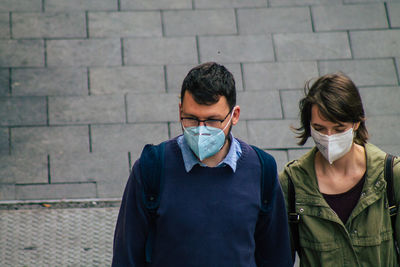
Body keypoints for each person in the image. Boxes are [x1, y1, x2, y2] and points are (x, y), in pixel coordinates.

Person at [112, 62, 292, 266]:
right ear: (180, 111)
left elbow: (276, 257)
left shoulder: (262, 171)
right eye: (191, 118)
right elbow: (126, 257)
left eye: (213, 120)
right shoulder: (150, 168)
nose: (201, 130)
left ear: (235, 116)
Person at [279, 72, 400, 267]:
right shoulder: (292, 183)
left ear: (356, 123)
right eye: (319, 128)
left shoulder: (390, 176)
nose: (328, 137)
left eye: (338, 128)